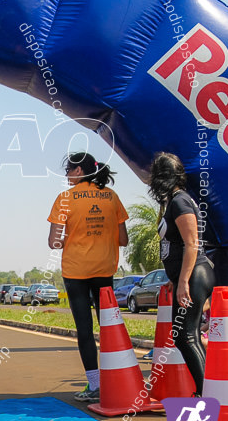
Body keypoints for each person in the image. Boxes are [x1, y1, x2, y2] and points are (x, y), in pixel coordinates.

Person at [47, 152, 128, 403]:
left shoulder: (65, 199)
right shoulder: (111, 197)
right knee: (109, 328)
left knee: (85, 330)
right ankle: (119, 381)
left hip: (76, 272)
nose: (67, 174)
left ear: (80, 171)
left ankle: (94, 385)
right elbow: (123, 239)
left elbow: (54, 242)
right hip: (105, 271)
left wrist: (74, 235)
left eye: (69, 170)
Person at [148, 152, 215, 396]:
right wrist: (173, 278)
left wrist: (184, 281)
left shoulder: (179, 201)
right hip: (188, 275)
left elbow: (192, 243)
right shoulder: (173, 201)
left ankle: (206, 393)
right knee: (183, 336)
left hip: (196, 274)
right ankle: (207, 390)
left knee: (187, 336)